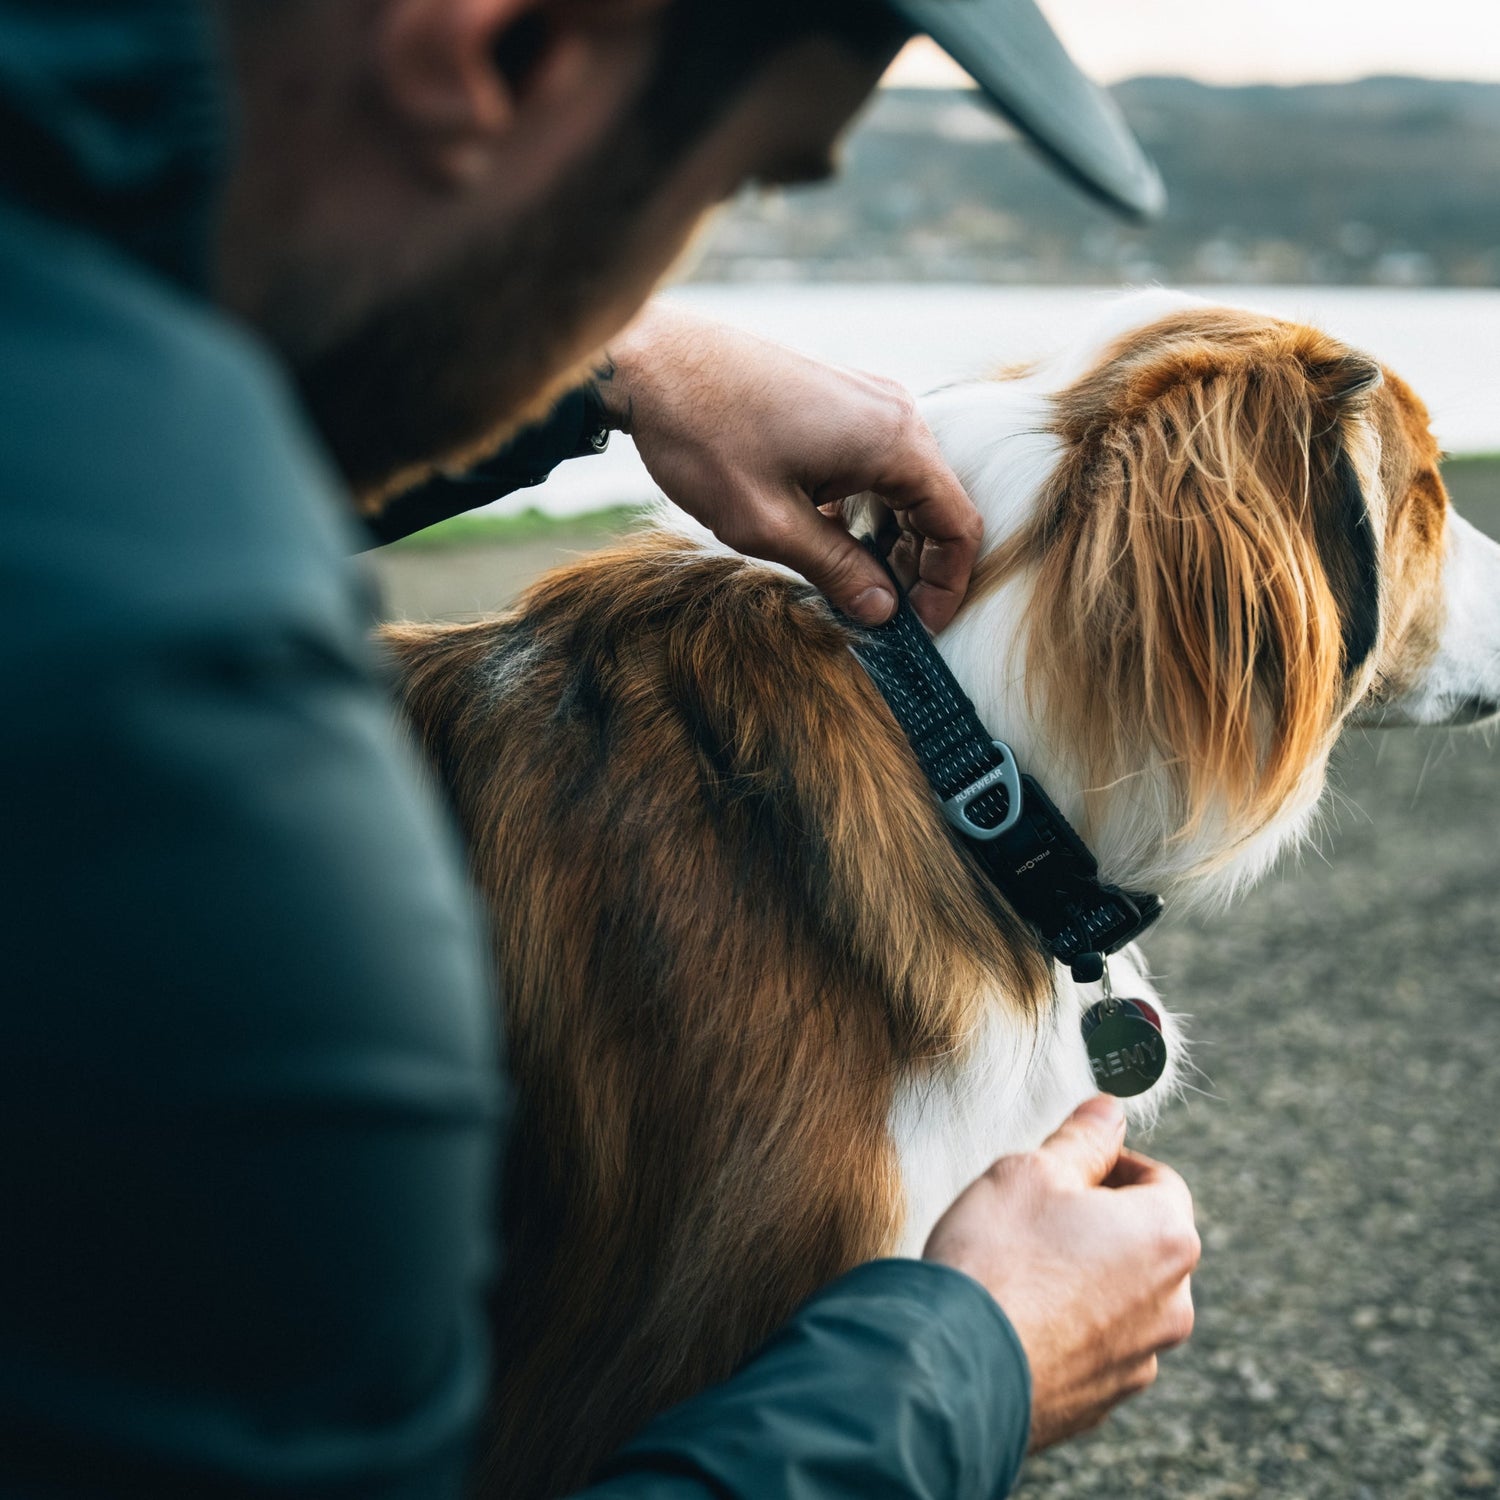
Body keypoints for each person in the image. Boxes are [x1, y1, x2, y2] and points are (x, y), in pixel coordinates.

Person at [0, 0, 1200, 1495]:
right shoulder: (195, 758)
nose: (664, 267)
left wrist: (620, 370)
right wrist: (968, 1364)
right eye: (731, 182)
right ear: (504, 51)